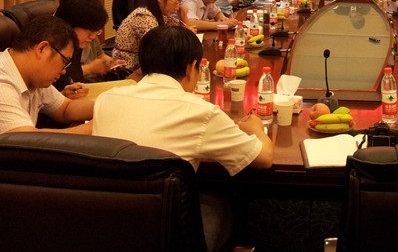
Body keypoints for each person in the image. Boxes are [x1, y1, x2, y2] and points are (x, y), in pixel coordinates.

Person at [93, 25, 273, 251]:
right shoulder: (200, 112)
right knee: (225, 197)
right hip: (168, 236)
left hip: (105, 229)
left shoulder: (106, 100)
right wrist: (257, 129)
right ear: (191, 67)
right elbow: (264, 158)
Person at [0, 16, 93, 134]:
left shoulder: (34, 77)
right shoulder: (2, 83)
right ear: (42, 49)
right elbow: (26, 138)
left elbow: (65, 109)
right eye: (64, 62)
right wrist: (95, 126)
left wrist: (106, 107)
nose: (63, 71)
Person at [59, 0, 125, 82]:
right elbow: (60, 77)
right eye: (93, 3)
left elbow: (100, 55)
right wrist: (90, 69)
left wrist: (110, 63)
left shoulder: (89, 29)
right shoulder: (59, 34)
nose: (97, 7)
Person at [113, 0, 187, 71]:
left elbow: (184, 29)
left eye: (180, 3)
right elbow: (157, 47)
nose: (177, 7)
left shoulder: (160, 14)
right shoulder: (143, 16)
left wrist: (183, 15)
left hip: (146, 60)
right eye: (176, 2)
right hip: (128, 65)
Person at [54, 0, 109, 96]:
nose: (93, 37)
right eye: (90, 30)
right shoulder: (51, 48)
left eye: (96, 31)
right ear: (70, 24)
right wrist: (62, 95)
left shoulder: (77, 45)